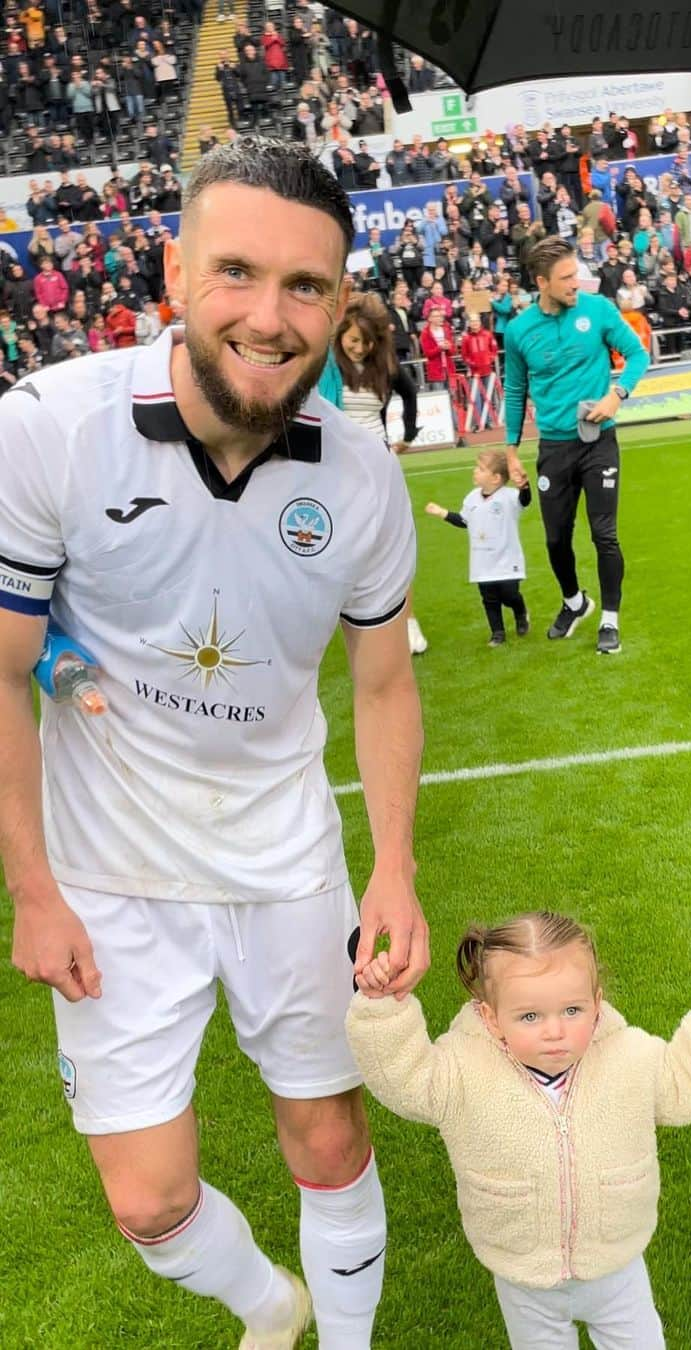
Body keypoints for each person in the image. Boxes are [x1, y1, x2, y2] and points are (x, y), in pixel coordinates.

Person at [0, 138, 428, 1348]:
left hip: (286, 859)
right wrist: (32, 889)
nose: (269, 316)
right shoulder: (48, 431)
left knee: (331, 1137)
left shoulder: (357, 474)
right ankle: (271, 1306)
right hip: (109, 877)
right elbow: (5, 672)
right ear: (176, 267)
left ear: (341, 304)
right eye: (237, 272)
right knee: (149, 1202)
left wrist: (391, 867)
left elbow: (385, 683)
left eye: (307, 286)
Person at [346, 911, 691, 1348]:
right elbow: (405, 1078)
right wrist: (381, 1009)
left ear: (596, 1003)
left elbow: (683, 1085)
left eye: (572, 1010)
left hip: (617, 1267)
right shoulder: (461, 1072)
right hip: (523, 1277)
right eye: (530, 1016)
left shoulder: (630, 1058)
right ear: (490, 1018)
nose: (555, 1031)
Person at [503, 238, 649, 655]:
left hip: (599, 442)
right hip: (554, 448)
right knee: (555, 540)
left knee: (605, 534)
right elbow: (516, 390)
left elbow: (637, 355)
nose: (576, 282)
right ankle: (575, 602)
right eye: (566, 278)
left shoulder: (598, 309)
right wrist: (512, 450)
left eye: (576, 274)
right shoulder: (518, 331)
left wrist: (616, 395)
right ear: (542, 282)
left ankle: (609, 618)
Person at [320, 293, 428, 656]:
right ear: (341, 335)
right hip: (338, 468)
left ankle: (408, 622)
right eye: (352, 340)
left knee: (394, 546)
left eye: (366, 342)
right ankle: (347, 621)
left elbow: (411, 395)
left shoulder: (384, 365)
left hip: (380, 462)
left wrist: (407, 437)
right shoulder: (328, 365)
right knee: (342, 547)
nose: (359, 348)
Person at [425, 450, 531, 646]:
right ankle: (497, 633)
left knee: (509, 594)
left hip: (507, 559)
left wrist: (524, 486)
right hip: (482, 561)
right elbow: (465, 521)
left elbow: (525, 500)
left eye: (481, 469)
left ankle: (520, 611)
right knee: (489, 598)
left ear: (496, 478)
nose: (475, 471)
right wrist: (443, 513)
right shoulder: (471, 498)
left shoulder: (509, 496)